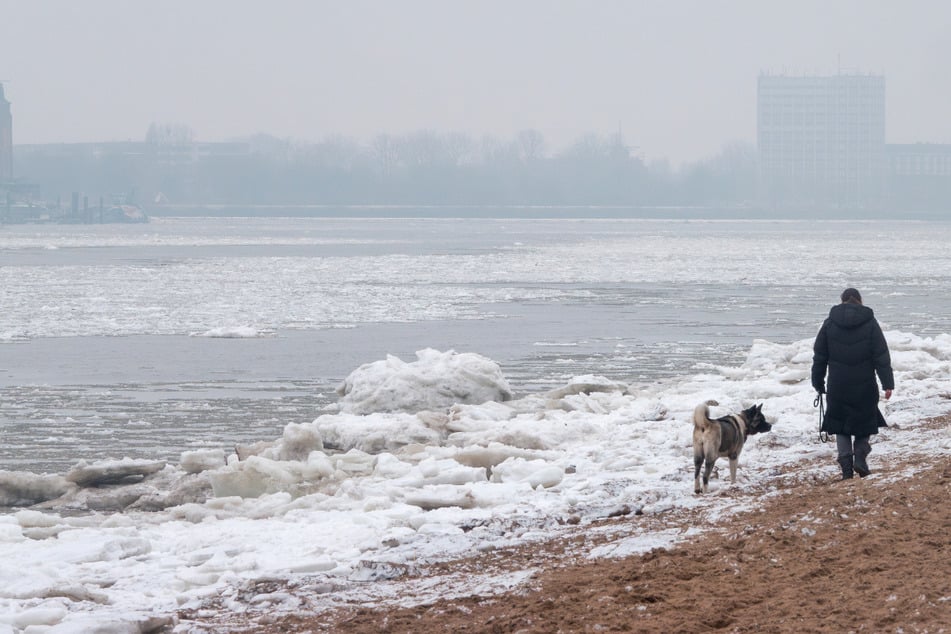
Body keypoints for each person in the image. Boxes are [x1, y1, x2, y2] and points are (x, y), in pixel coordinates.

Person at [811, 287, 895, 480]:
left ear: (842, 301)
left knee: (840, 425)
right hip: (864, 383)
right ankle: (860, 457)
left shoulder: (829, 323)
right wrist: (887, 383)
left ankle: (847, 470)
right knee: (865, 421)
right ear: (860, 301)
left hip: (838, 385)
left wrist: (817, 382)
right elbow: (881, 356)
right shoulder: (871, 323)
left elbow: (819, 357)